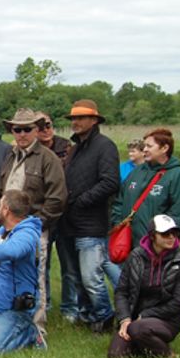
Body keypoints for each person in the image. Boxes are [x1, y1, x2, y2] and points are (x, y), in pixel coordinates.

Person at [0, 108, 66, 335]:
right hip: (6, 228)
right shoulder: (10, 156)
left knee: (37, 277)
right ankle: (9, 320)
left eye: (27, 129)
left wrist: (36, 225)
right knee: (6, 274)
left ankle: (36, 327)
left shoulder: (48, 158)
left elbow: (58, 197)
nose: (22, 134)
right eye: (17, 129)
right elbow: (0, 191)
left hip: (33, 228)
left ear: (37, 130)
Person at [57, 100, 121, 333]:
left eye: (81, 118)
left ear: (94, 120)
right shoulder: (75, 148)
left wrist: (82, 200)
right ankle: (87, 315)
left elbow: (110, 182)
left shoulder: (105, 146)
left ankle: (104, 316)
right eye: (73, 118)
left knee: (91, 277)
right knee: (76, 276)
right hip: (69, 222)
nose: (75, 122)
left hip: (91, 223)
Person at [109, 215, 180, 358]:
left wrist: (144, 316)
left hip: (166, 320)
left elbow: (178, 302)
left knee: (138, 329)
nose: (172, 237)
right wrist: (125, 319)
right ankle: (144, 344)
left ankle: (168, 355)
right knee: (116, 355)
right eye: (166, 234)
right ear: (153, 236)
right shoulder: (135, 256)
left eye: (175, 233)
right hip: (134, 318)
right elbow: (122, 291)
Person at [0, 190, 44, 355]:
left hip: (12, 309)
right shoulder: (2, 231)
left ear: (6, 209)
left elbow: (13, 251)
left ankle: (30, 334)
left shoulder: (27, 233)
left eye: (0, 205)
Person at [111, 128, 180, 244]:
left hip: (157, 247)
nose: (144, 150)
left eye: (149, 146)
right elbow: (120, 201)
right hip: (128, 244)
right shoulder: (137, 172)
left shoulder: (178, 175)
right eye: (144, 146)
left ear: (164, 148)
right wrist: (118, 223)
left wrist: (162, 236)